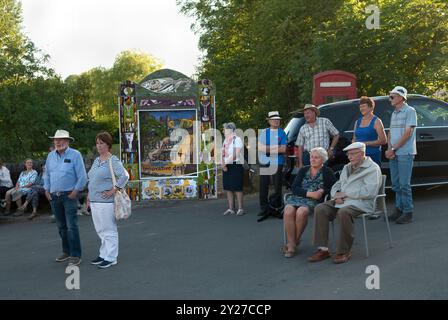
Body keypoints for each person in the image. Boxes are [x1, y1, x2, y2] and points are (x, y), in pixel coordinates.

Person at [308, 142, 381, 264]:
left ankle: (343, 251)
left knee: (343, 212)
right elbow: (338, 184)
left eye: (353, 154)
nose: (350, 157)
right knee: (320, 208)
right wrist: (335, 194)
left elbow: (370, 191)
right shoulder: (347, 167)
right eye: (348, 154)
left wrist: (346, 194)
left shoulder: (373, 168)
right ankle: (323, 249)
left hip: (361, 203)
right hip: (342, 200)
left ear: (362, 154)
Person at [281, 147, 336, 258]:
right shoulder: (303, 170)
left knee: (301, 211)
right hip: (299, 196)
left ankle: (292, 243)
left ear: (323, 159)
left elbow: (334, 188)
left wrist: (322, 191)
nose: (312, 159)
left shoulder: (327, 171)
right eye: (311, 157)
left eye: (316, 157)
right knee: (288, 210)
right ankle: (292, 243)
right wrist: (309, 193)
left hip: (314, 201)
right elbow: (294, 187)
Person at [44, 130, 87, 267]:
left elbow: (82, 176)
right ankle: (66, 251)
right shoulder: (50, 156)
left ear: (68, 141)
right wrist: (46, 189)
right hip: (54, 196)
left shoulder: (75, 155)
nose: (58, 142)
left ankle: (75, 255)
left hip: (69, 196)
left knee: (71, 226)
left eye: (61, 139)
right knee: (61, 226)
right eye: (56, 140)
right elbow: (47, 175)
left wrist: (75, 192)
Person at [87, 132, 129, 268]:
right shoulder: (97, 160)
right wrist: (88, 196)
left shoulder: (113, 160)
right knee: (100, 229)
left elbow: (125, 176)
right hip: (94, 200)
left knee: (109, 229)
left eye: (102, 143)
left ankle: (111, 257)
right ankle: (103, 254)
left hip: (106, 202)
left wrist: (113, 190)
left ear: (108, 145)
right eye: (97, 143)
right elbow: (91, 179)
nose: (99, 146)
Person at [385, 86, 417, 224]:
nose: (390, 99)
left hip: (405, 152)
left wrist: (393, 148)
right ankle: (399, 209)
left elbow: (408, 133)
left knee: (404, 184)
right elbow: (390, 132)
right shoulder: (394, 113)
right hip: (394, 152)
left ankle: (408, 212)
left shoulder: (410, 111)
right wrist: (389, 149)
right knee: (396, 184)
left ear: (401, 97)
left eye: (392, 96)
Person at [257, 111, 287, 219]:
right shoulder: (264, 132)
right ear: (269, 121)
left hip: (277, 162)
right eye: (274, 119)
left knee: (277, 185)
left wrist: (268, 149)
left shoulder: (282, 133)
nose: (276, 121)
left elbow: (283, 149)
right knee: (263, 184)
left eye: (278, 119)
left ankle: (277, 207)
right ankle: (264, 208)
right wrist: (275, 148)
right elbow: (260, 148)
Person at [352, 96, 387, 166]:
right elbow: (354, 138)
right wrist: (354, 145)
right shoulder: (357, 122)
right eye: (360, 107)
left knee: (373, 176)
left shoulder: (376, 121)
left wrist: (365, 143)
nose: (361, 109)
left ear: (371, 107)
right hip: (359, 156)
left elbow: (383, 140)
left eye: (364, 106)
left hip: (373, 155)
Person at [221, 122, 245, 216]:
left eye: (224, 129)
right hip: (227, 165)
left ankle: (240, 208)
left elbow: (236, 154)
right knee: (228, 187)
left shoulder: (237, 139)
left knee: (237, 187)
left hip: (236, 165)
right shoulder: (225, 140)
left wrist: (225, 163)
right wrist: (224, 164)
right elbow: (223, 153)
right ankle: (231, 208)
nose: (223, 131)